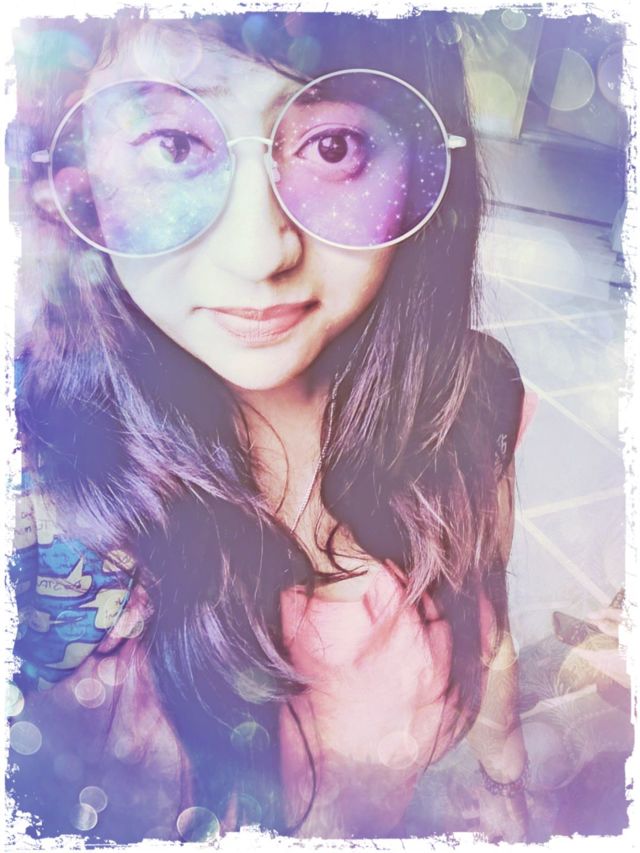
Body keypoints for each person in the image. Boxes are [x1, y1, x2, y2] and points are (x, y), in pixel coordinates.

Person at [7, 9, 531, 843]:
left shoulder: (474, 396)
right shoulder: (38, 509)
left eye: (334, 146)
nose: (259, 253)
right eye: (173, 145)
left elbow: (486, 607)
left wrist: (505, 766)